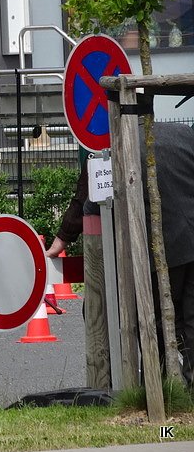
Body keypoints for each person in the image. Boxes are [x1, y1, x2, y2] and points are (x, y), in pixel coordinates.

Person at [45, 122, 194, 384]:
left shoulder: (117, 147)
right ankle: (186, 387)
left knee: (155, 320)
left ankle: (158, 386)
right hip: (190, 242)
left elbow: (88, 200)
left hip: (156, 249)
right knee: (189, 320)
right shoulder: (184, 135)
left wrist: (63, 238)